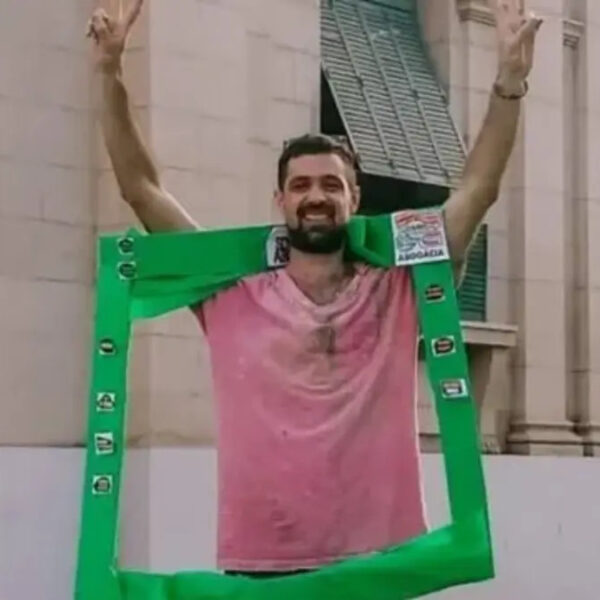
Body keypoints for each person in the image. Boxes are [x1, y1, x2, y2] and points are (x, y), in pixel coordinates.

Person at [87, 0, 541, 579]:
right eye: (300, 186)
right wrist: (110, 73)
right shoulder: (230, 294)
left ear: (355, 198)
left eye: (332, 184)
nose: (316, 196)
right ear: (281, 201)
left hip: (378, 566)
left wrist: (509, 82)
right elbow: (141, 189)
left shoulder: (398, 290)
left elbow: (477, 191)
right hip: (263, 567)